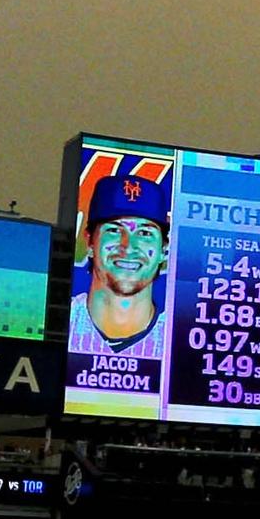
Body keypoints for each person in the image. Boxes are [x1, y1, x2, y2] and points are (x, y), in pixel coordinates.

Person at [70, 149, 175, 363]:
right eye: (115, 230)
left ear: (164, 249)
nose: (128, 246)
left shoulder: (178, 343)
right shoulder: (60, 323)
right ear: (90, 241)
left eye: (145, 233)